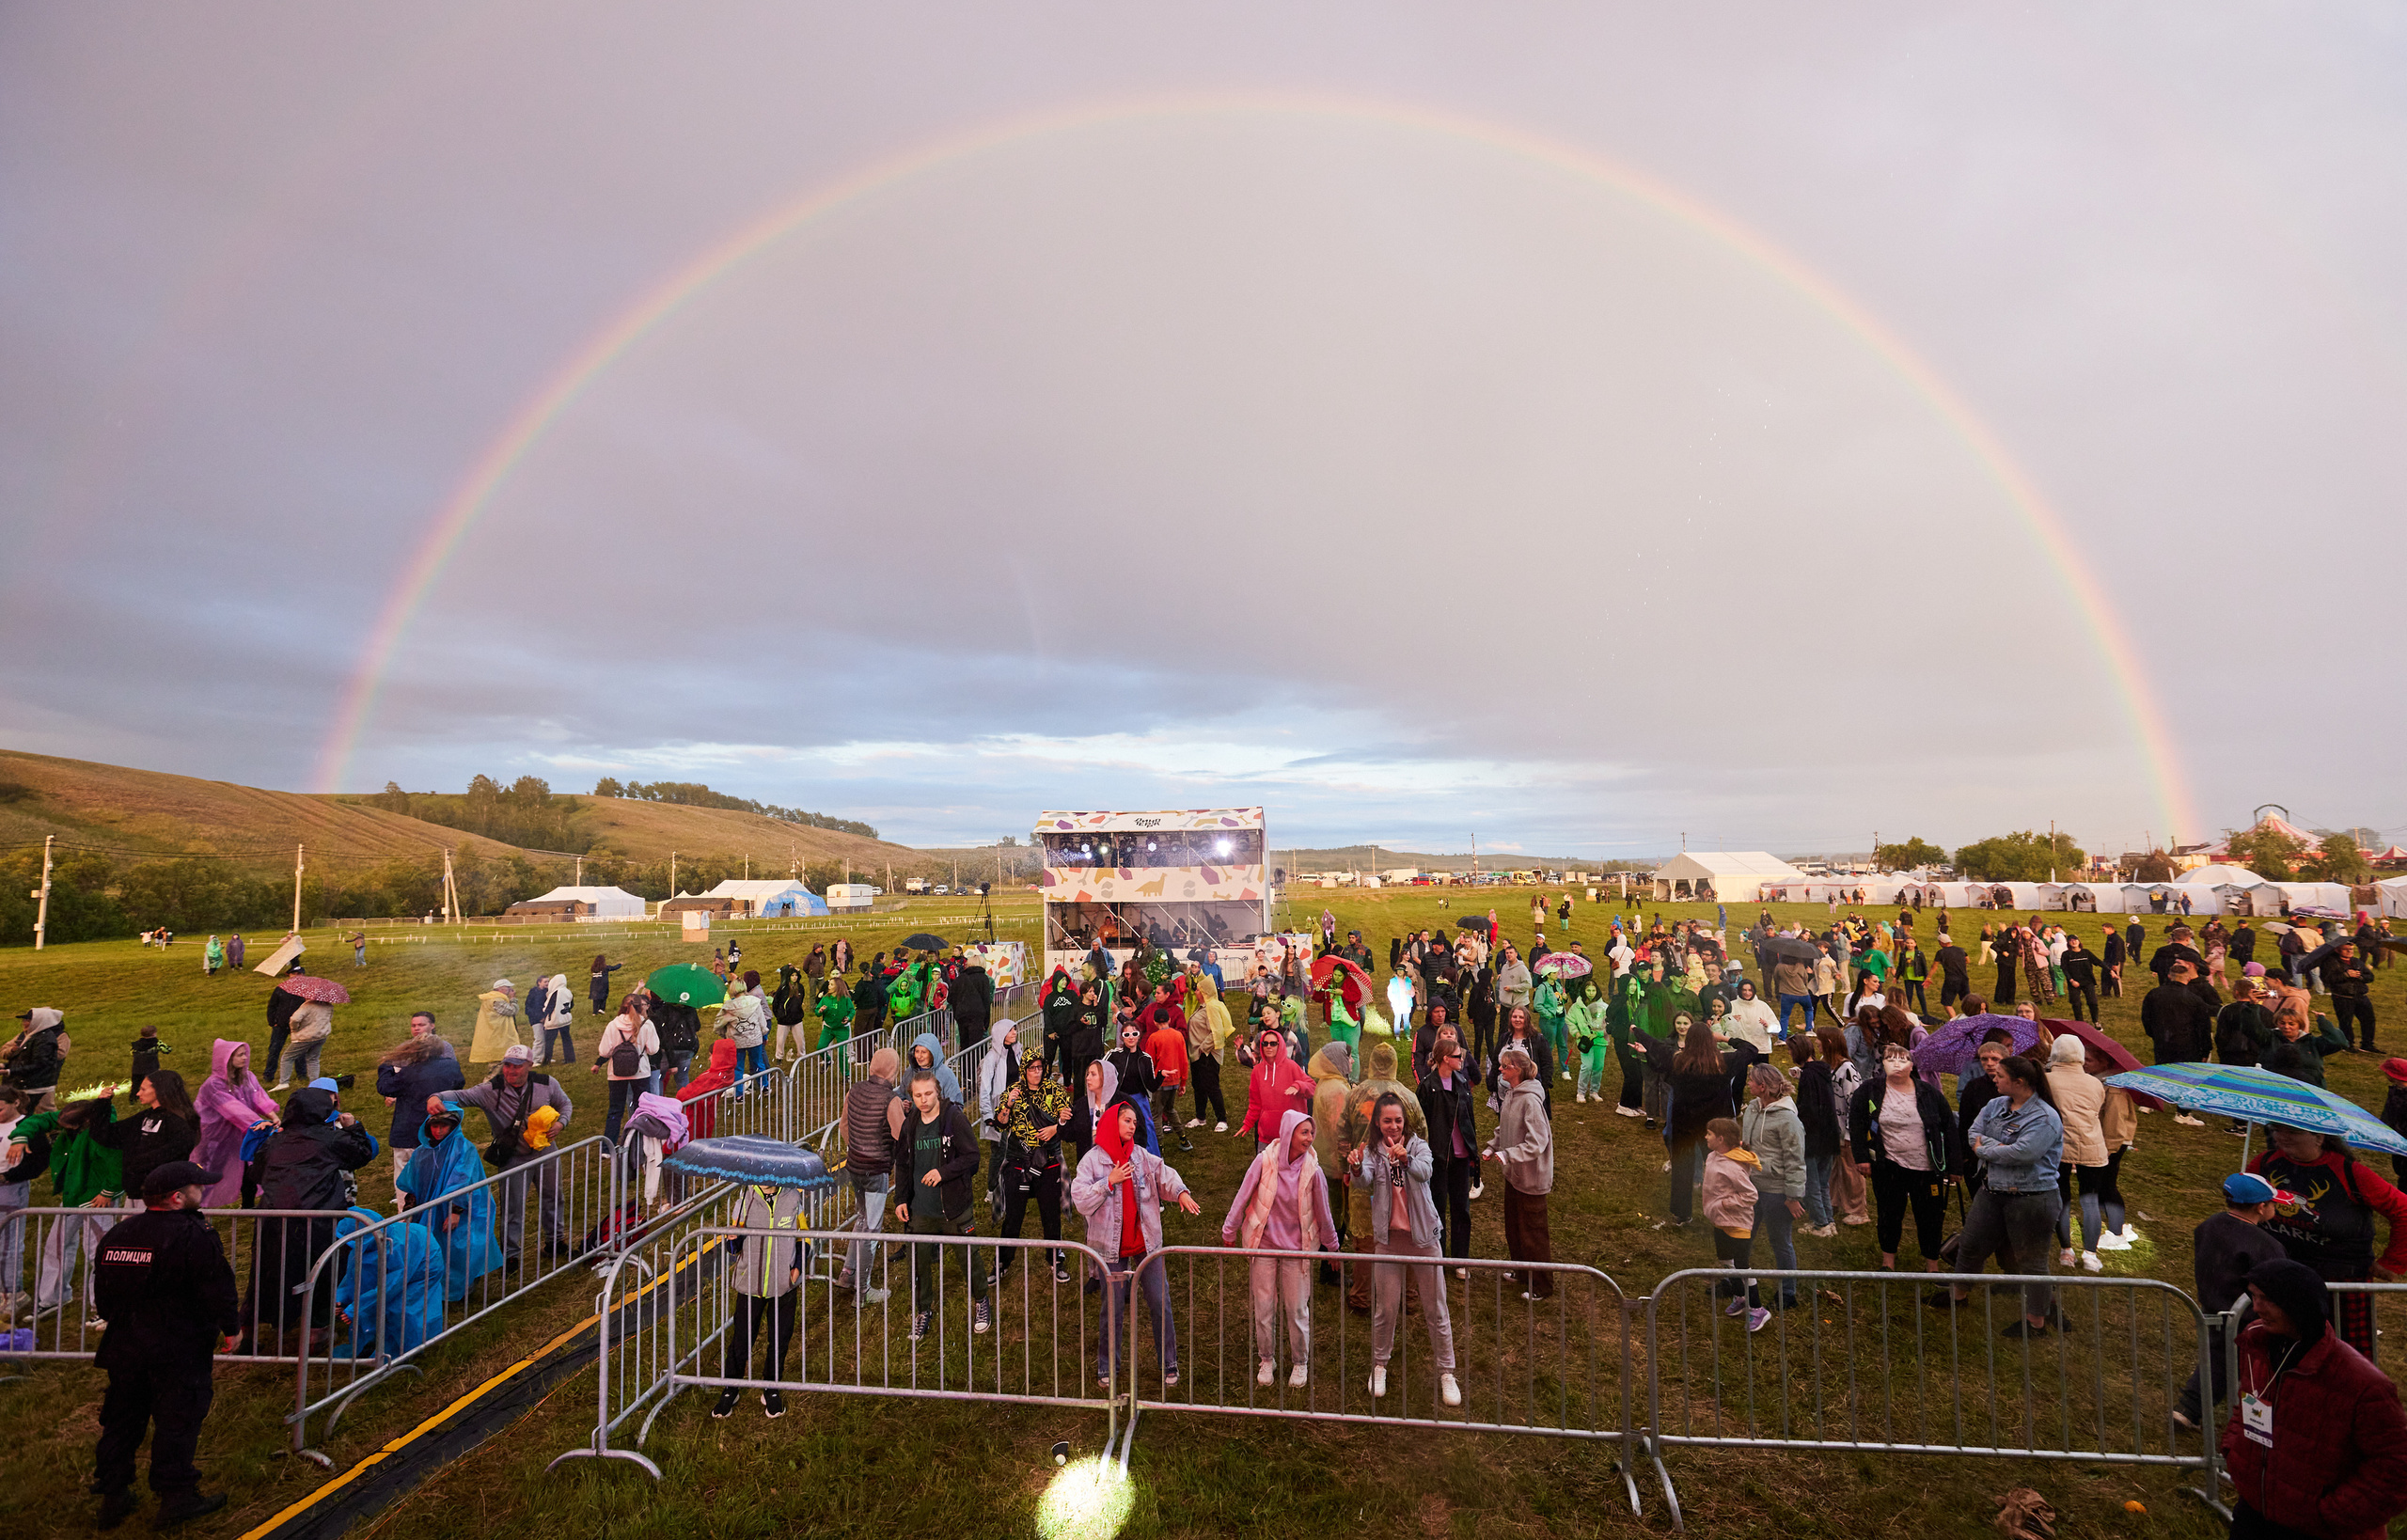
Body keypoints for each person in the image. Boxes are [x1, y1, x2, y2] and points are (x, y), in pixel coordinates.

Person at [87, 1160, 240, 1530]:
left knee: (122, 1421)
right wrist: (230, 1327)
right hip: (178, 1348)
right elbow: (215, 1287)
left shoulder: (119, 1234)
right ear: (176, 1198)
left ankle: (113, 1495)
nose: (202, 1193)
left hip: (125, 1345)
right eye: (196, 1188)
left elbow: (102, 1296)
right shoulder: (193, 1235)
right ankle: (177, 1497)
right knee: (177, 1420)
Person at [2219, 1258, 2407, 1540]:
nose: (2256, 1308)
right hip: (2255, 1512)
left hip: (2319, 1527)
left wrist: (2333, 1514)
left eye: (2268, 1299)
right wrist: (2235, 1452)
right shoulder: (2256, 1345)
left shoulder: (2362, 1383)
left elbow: (2396, 1463)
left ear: (2299, 1304)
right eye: (2253, 1297)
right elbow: (2249, 1403)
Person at [2248, 1124, 2407, 1359]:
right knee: (2283, 1351)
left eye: (2292, 1132)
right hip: (2282, 1272)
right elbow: (2245, 1208)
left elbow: (2403, 1210)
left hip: (2339, 1282)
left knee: (2344, 1357)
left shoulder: (2350, 1173)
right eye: (2277, 1130)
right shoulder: (2265, 1163)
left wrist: (2392, 1262)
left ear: (2319, 1137)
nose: (2281, 1137)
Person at [1933, 1056, 2066, 1337]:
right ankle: (1958, 1297)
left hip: (2032, 1198)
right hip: (1992, 1190)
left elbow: (2024, 1153)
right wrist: (1997, 1146)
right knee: (1970, 1245)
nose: (1993, 1077)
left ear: (2019, 1082)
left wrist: (1984, 1150)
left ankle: (2036, 1323)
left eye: (2000, 1075)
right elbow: (1973, 1132)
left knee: (2031, 1262)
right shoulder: (1995, 1105)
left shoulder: (2045, 1117)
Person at [238, 1086, 376, 1352]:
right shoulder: (330, 1139)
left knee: (268, 1274)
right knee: (322, 1271)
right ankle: (316, 1331)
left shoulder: (276, 1140)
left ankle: (247, 1328)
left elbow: (257, 1173)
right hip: (318, 1219)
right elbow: (362, 1153)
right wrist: (354, 1126)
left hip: (274, 1219)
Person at [1074, 1100, 1198, 1389]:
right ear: (1111, 1122)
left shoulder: (1141, 1156)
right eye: (1127, 1120)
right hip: (1111, 1248)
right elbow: (1080, 1199)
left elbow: (1163, 1175)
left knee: (1160, 1303)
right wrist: (1108, 1182)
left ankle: (1169, 1363)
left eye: (1135, 1122)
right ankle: (1107, 1367)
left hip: (1147, 1245)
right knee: (1112, 1309)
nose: (1133, 1125)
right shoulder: (1092, 1161)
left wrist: (1179, 1193)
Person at [1356, 1091, 1460, 1406]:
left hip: (1424, 1240)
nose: (1393, 1126)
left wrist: (1406, 1158)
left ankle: (1447, 1372)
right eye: (1387, 1120)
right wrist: (1356, 1167)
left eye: (1398, 1120)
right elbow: (1365, 1181)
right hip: (1388, 1242)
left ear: (1406, 1122)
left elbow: (1426, 1171)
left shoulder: (1419, 1146)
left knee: (1436, 1309)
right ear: (1377, 1122)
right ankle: (1379, 1366)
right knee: (1385, 1310)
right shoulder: (1373, 1151)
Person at [1221, 1108, 1336, 1387]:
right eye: (1304, 1132)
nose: (1310, 1138)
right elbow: (1243, 1194)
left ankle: (1300, 1362)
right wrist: (1230, 1228)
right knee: (1263, 1306)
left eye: (1312, 1133)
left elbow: (1323, 1211)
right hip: (1264, 1245)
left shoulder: (1314, 1171)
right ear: (1288, 1134)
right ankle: (1266, 1358)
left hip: (1298, 1250)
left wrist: (1333, 1247)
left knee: (1297, 1309)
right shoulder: (1264, 1162)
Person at [2172, 1172, 2289, 1432]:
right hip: (2249, 1319)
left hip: (2212, 1307)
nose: (2275, 1208)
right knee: (2252, 1370)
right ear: (2261, 1207)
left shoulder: (2210, 1225)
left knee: (2216, 1359)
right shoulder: (2265, 1245)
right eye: (2273, 1204)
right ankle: (2254, 1423)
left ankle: (2188, 1409)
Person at [453, 1045, 574, 1264]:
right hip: (513, 1159)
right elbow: (460, 1096)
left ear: (529, 1065)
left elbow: (565, 1103)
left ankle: (555, 1242)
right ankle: (511, 1256)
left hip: (547, 1153)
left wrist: (561, 1124)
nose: (510, 1071)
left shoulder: (546, 1083)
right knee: (512, 1207)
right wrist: (436, 1097)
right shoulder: (490, 1090)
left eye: (517, 1066)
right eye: (507, 1065)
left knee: (554, 1197)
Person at [892, 1067, 989, 1342]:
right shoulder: (910, 1122)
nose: (923, 1100)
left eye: (928, 1094)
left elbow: (972, 1157)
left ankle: (981, 1299)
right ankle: (924, 1310)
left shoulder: (953, 1118)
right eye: (918, 1095)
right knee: (919, 1263)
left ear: (938, 1093)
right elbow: (902, 1163)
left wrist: (943, 1173)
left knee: (968, 1256)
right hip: (920, 1208)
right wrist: (901, 1199)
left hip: (954, 1207)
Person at [1850, 1043, 1953, 1273]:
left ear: (1912, 1065)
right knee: (1889, 1213)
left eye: (1902, 1060)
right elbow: (1856, 1125)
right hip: (1888, 1165)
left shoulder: (1929, 1094)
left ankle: (1932, 1265)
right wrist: (1862, 1157)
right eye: (1890, 1059)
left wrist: (1953, 1165)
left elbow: (1949, 1128)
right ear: (1882, 1063)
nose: (1896, 1065)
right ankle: (1888, 1262)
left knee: (1930, 1217)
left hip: (1926, 1167)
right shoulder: (1869, 1090)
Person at [711, 1178, 806, 1419]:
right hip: (749, 1284)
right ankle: (731, 1388)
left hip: (784, 1284)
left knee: (780, 1338)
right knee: (741, 1340)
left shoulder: (794, 1198)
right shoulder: (745, 1199)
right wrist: (732, 1240)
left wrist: (798, 1267)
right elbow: (734, 1248)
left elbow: (805, 1236)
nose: (765, 1179)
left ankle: (771, 1388)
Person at [397, 1099, 498, 1303]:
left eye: (444, 1126)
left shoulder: (463, 1149)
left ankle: (463, 1287)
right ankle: (438, 1289)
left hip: (463, 1210)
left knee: (461, 1247)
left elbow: (463, 1179)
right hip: (431, 1210)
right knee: (435, 1248)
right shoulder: (423, 1152)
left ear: (453, 1126)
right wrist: (411, 1204)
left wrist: (455, 1210)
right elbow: (412, 1180)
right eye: (435, 1125)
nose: (439, 1131)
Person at [992, 1054, 1072, 1284]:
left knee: (1050, 1214)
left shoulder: (1055, 1091)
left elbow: (1067, 1120)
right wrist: (1008, 1105)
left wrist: (1056, 1127)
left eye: (1040, 1067)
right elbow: (1001, 1123)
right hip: (1019, 1160)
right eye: (1032, 1068)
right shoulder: (1013, 1091)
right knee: (1014, 1214)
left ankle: (1055, 1258)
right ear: (1024, 1070)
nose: (1037, 1072)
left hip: (1048, 1160)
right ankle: (1002, 1262)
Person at [1649, 1016, 1736, 1226]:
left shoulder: (1677, 1061)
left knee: (1682, 1168)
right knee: (1721, 1166)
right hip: (1714, 1127)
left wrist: (1636, 1031)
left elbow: (1655, 1046)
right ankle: (1726, 1206)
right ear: (1710, 1041)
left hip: (1684, 1124)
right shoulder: (1723, 1063)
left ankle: (1681, 1213)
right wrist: (1726, 1038)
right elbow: (1751, 1049)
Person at [1484, 1047, 1555, 1300]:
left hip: (1531, 1179)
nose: (1500, 1070)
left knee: (1533, 1233)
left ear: (1518, 1069)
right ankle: (1522, 1272)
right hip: (1514, 1176)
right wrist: (1493, 1146)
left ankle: (1543, 1284)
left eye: (1504, 1066)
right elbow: (1505, 1126)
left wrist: (1509, 1154)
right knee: (1514, 1228)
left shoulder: (1531, 1100)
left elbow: (1537, 1142)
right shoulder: (1512, 1095)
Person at [834, 1047, 902, 1301]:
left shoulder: (854, 1089)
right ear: (894, 1070)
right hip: (876, 1170)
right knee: (873, 1229)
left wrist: (856, 1147)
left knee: (861, 1218)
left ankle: (848, 1272)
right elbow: (900, 1134)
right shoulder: (890, 1099)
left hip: (854, 1166)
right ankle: (863, 1291)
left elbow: (843, 1125)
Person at [1738, 1062, 1804, 1311]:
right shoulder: (1753, 1108)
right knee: (1742, 1236)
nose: (1748, 1084)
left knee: (1780, 1242)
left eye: (1751, 1081)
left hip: (1777, 1191)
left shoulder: (1788, 1120)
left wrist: (1793, 1195)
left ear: (1763, 1087)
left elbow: (1796, 1159)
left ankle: (1788, 1292)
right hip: (1750, 1186)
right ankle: (1736, 1283)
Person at [2044, 1035, 2110, 1274]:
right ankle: (2091, 1255)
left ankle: (2066, 1251)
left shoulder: (2046, 1080)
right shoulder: (2095, 1083)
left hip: (2057, 1145)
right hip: (2092, 1145)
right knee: (2090, 1200)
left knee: (2062, 1198)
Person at [1700, 1117, 1771, 1330]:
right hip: (1720, 1220)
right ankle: (1740, 1296)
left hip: (1737, 1223)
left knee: (1742, 1265)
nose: (1705, 1137)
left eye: (1709, 1134)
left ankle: (1758, 1309)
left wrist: (1723, 1204)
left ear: (1720, 1139)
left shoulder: (1733, 1167)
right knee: (1724, 1258)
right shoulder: (1714, 1156)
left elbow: (1750, 1195)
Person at [90, 1071, 198, 1210]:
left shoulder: (181, 1122)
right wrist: (102, 1103)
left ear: (160, 1090)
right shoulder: (144, 1117)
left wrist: (134, 1164)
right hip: (137, 1192)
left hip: (161, 1195)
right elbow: (106, 1135)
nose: (138, 1093)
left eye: (143, 1089)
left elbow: (174, 1152)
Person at [1417, 1037, 1481, 1271]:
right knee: (1437, 1206)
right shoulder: (1427, 1086)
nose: (1462, 1060)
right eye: (1457, 1056)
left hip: (1461, 1155)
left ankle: (1460, 1259)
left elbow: (1469, 1119)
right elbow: (1420, 1126)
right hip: (1439, 1157)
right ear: (1445, 1059)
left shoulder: (1462, 1082)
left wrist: (1473, 1152)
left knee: (1461, 1207)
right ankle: (1439, 1256)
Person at [192, 1040, 280, 1206]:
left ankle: (248, 1205)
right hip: (218, 1137)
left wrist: (272, 1116)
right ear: (227, 1058)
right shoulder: (213, 1085)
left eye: (245, 1053)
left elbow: (258, 1096)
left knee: (248, 1168)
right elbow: (233, 1109)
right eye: (240, 1055)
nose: (245, 1058)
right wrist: (260, 1123)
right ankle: (198, 1206)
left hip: (243, 1132)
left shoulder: (247, 1076)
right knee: (212, 1170)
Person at [2141, 961, 2215, 1125]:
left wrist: (2155, 1034)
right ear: (2188, 978)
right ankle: (2182, 1113)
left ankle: (2151, 1103)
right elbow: (2203, 1026)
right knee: (2187, 1078)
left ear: (2169, 976)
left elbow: (2146, 1017)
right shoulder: (2194, 999)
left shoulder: (2154, 994)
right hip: (2187, 1042)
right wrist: (2205, 1050)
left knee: (2161, 1070)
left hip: (2163, 1039)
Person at [591, 997, 661, 1143]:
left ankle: (608, 1147)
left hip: (616, 1074)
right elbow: (653, 1049)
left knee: (615, 1110)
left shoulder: (613, 1025)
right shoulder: (647, 1024)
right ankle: (639, 1142)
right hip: (640, 1072)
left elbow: (604, 1051)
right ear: (641, 1006)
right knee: (640, 1108)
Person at [1237, 1026, 1314, 1149]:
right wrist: (1247, 1124)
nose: (1268, 1047)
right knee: (1266, 1168)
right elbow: (1255, 1103)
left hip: (1292, 1134)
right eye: (1265, 1043)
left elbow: (1311, 1087)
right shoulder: (1257, 1071)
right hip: (1266, 1137)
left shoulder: (1292, 1067)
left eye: (1273, 1043)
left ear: (1280, 1045)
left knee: (1290, 1168)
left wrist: (1298, 1086)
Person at [1182, 974, 1232, 1134]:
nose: (1195, 992)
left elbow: (1216, 1031)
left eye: (1198, 990)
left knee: (1211, 1086)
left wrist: (1203, 1049)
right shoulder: (1203, 1006)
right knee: (1198, 1086)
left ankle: (1222, 1119)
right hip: (1198, 1053)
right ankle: (1200, 1117)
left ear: (1204, 992)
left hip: (1207, 1054)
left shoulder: (1211, 1007)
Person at [2329, 941, 2378, 1052]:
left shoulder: (2356, 961)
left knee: (2369, 1019)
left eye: (2351, 949)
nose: (2350, 951)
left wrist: (2360, 976)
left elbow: (2370, 977)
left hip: (2360, 995)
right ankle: (2348, 1044)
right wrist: (2345, 975)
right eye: (2346, 949)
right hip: (2343, 996)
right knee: (2346, 1021)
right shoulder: (2331, 962)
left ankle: (2367, 1044)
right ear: (2338, 950)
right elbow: (2328, 979)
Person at [467, 980, 520, 1065]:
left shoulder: (491, 998)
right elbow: (512, 1011)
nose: (510, 989)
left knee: (499, 1063)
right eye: (507, 987)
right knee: (497, 1064)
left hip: (495, 1031)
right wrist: (513, 999)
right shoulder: (497, 1000)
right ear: (500, 988)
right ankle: (492, 1078)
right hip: (498, 1033)